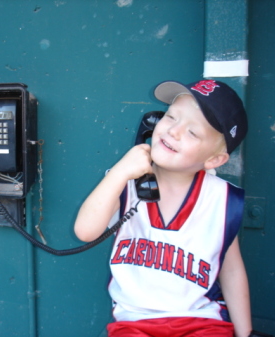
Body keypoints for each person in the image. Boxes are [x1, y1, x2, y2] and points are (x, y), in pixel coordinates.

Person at [74, 79, 252, 337]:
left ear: (214, 159)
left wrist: (246, 334)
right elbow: (85, 232)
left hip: (200, 323)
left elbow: (232, 270)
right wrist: (122, 171)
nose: (173, 132)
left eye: (192, 132)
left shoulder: (220, 199)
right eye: (170, 117)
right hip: (134, 323)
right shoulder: (124, 182)